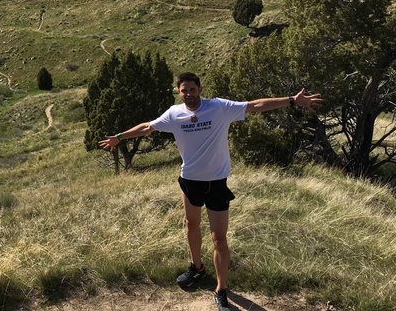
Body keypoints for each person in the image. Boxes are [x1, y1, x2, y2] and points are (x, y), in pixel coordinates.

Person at [98, 72, 323, 311]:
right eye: (184, 91)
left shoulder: (219, 108)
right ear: (179, 92)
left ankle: (221, 290)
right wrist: (120, 137)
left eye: (192, 90)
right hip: (189, 180)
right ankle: (197, 268)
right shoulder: (174, 114)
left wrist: (291, 100)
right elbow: (147, 127)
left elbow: (255, 105)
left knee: (219, 239)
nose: (189, 95)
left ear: (200, 89)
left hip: (216, 183)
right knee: (190, 225)